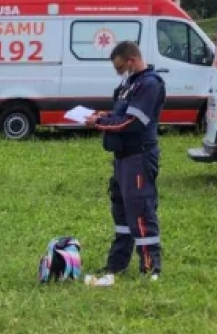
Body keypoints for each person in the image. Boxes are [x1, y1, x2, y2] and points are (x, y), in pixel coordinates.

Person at [83, 41, 167, 286]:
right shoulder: (129, 84)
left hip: (139, 157)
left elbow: (131, 123)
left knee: (140, 210)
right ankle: (116, 264)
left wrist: (98, 124)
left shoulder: (150, 84)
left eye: (120, 67)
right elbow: (119, 116)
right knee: (120, 210)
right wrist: (102, 116)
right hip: (122, 158)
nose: (119, 73)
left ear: (131, 59)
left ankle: (151, 268)